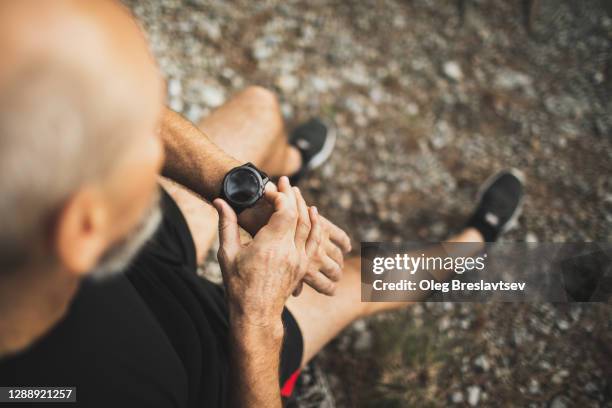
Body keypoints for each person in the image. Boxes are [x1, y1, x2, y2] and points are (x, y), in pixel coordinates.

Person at [0, 1, 524, 407]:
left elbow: (89, 96)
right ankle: (469, 250)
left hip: (118, 260)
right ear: (81, 222)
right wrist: (256, 322)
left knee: (260, 110)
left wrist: (238, 187)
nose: (153, 137)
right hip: (212, 349)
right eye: (133, 138)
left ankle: (287, 160)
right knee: (355, 277)